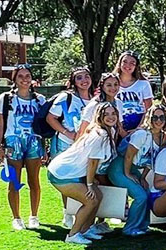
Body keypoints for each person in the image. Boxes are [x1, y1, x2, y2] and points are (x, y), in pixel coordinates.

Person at [47, 102, 119, 244]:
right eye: (107, 114)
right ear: (100, 116)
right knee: (91, 200)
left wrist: (92, 184)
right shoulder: (101, 134)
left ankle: (86, 229)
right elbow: (92, 162)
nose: (111, 117)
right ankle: (73, 234)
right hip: (62, 173)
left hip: (71, 172)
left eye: (113, 114)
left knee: (98, 195)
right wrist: (90, 184)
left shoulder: (108, 131)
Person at [0, 64, 47, 230]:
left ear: (32, 78)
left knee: (34, 181)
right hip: (13, 141)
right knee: (14, 181)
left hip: (33, 141)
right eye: (20, 76)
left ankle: (34, 216)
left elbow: (43, 125)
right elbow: (0, 122)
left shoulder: (40, 100)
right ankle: (16, 217)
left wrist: (44, 146)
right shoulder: (6, 98)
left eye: (27, 76)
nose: (25, 79)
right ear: (14, 79)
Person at [107, 105, 166, 236]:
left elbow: (151, 161)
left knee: (147, 193)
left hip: (133, 167)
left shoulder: (164, 138)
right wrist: (127, 174)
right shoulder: (142, 134)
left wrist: (142, 178)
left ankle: (143, 225)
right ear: (149, 118)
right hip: (120, 167)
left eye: (162, 117)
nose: (158, 120)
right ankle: (130, 228)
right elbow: (129, 155)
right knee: (140, 196)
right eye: (155, 117)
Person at [47, 67, 94, 228]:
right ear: (74, 81)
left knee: (83, 180)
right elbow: (51, 118)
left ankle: (86, 216)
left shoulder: (96, 100)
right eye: (79, 78)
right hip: (66, 144)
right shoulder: (66, 98)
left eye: (87, 76)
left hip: (86, 148)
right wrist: (68, 133)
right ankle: (68, 212)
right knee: (67, 179)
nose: (84, 80)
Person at [113, 50, 153, 131]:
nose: (128, 65)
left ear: (136, 66)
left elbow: (149, 109)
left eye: (132, 63)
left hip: (138, 125)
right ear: (119, 63)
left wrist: (139, 128)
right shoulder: (112, 83)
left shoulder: (144, 84)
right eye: (125, 62)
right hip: (115, 125)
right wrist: (120, 130)